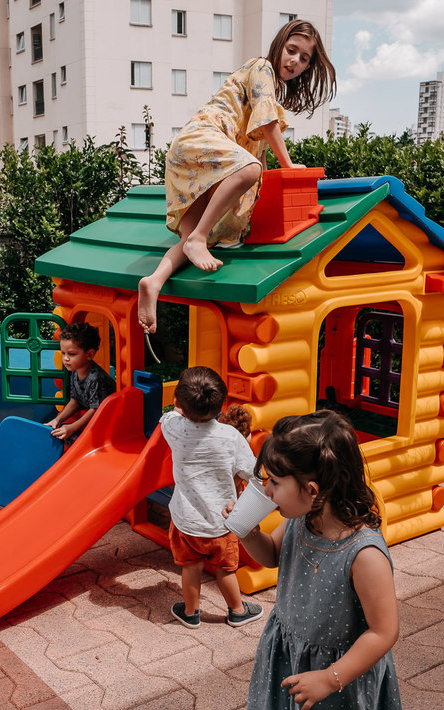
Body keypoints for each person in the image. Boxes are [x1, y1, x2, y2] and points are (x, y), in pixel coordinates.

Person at [233, 410, 408, 710]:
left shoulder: (363, 554)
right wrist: (247, 534)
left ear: (312, 489)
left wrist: (329, 678)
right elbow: (272, 554)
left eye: (275, 482)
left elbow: (384, 631)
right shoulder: (302, 518)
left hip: (335, 674)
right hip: (286, 656)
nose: (267, 491)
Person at [137, 19, 336, 334]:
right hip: (200, 139)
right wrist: (288, 166)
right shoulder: (262, 68)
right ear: (279, 46)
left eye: (304, 58)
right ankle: (199, 239)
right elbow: (266, 127)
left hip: (190, 156)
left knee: (192, 240)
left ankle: (153, 282)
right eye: (291, 50)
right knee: (246, 172)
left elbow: (258, 150)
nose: (295, 61)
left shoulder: (269, 92)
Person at [160, 367, 263, 628]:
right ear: (221, 404)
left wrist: (177, 407)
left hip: (186, 522)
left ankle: (191, 613)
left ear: (178, 402)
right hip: (222, 523)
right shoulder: (231, 437)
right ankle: (237, 611)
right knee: (225, 570)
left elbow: (167, 416)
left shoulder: (174, 428)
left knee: (190, 567)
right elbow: (254, 475)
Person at [47, 322, 116, 442]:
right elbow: (75, 401)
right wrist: (57, 420)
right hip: (91, 414)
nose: (65, 358)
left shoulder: (96, 378)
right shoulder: (75, 370)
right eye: (63, 353)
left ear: (89, 354)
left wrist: (72, 428)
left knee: (69, 439)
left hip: (108, 420)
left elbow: (96, 410)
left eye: (72, 354)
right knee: (59, 430)